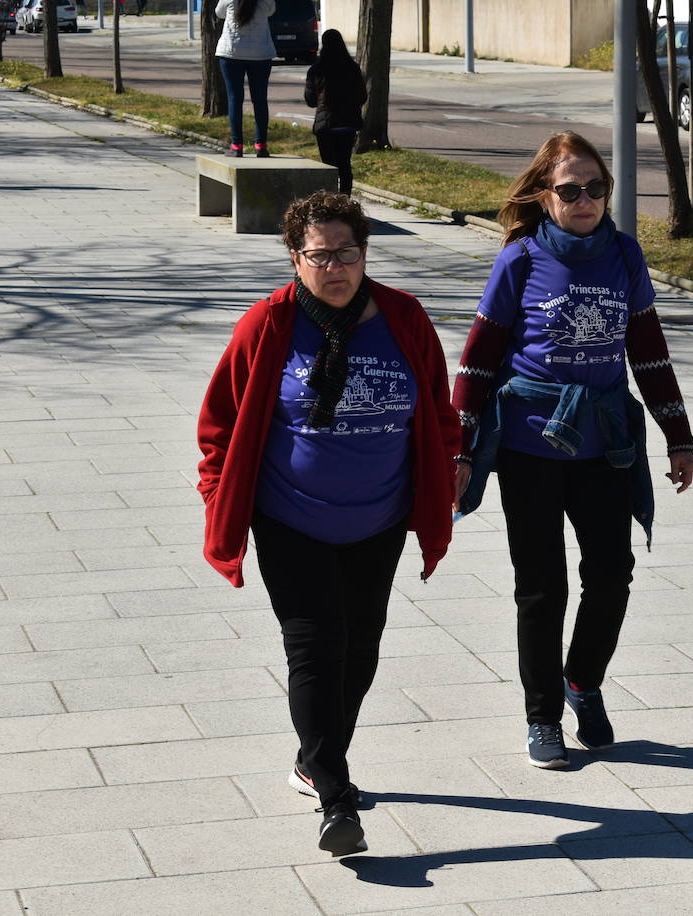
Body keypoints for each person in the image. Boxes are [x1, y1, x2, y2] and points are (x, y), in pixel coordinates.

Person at [197, 191, 460, 855]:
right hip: (290, 517)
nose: (335, 268)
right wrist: (217, 495)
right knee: (314, 646)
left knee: (361, 648)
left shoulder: (403, 316)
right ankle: (337, 799)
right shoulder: (267, 325)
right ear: (295, 258)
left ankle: (313, 759)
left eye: (347, 253)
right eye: (320, 256)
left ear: (364, 252)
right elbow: (219, 424)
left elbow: (436, 404)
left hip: (379, 516)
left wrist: (449, 464)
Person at [452, 131, 693, 770]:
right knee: (542, 587)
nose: (584, 198)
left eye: (596, 187)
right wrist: (459, 448)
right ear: (544, 195)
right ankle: (542, 718)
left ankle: (582, 681)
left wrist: (679, 437)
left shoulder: (624, 254)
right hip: (530, 446)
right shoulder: (520, 260)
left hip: (605, 444)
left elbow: (646, 350)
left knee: (612, 573)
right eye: (570, 189)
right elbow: (478, 361)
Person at [303, 29, 367, 195]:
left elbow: (310, 100)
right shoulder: (352, 68)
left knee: (328, 166)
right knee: (345, 165)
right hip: (348, 124)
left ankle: (330, 201)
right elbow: (362, 96)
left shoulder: (316, 70)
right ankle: (345, 201)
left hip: (326, 125)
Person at [214, 0, 275, 158]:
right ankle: (261, 145)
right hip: (260, 54)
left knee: (235, 99)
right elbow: (271, 11)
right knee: (260, 100)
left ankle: (237, 146)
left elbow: (219, 13)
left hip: (231, 53)